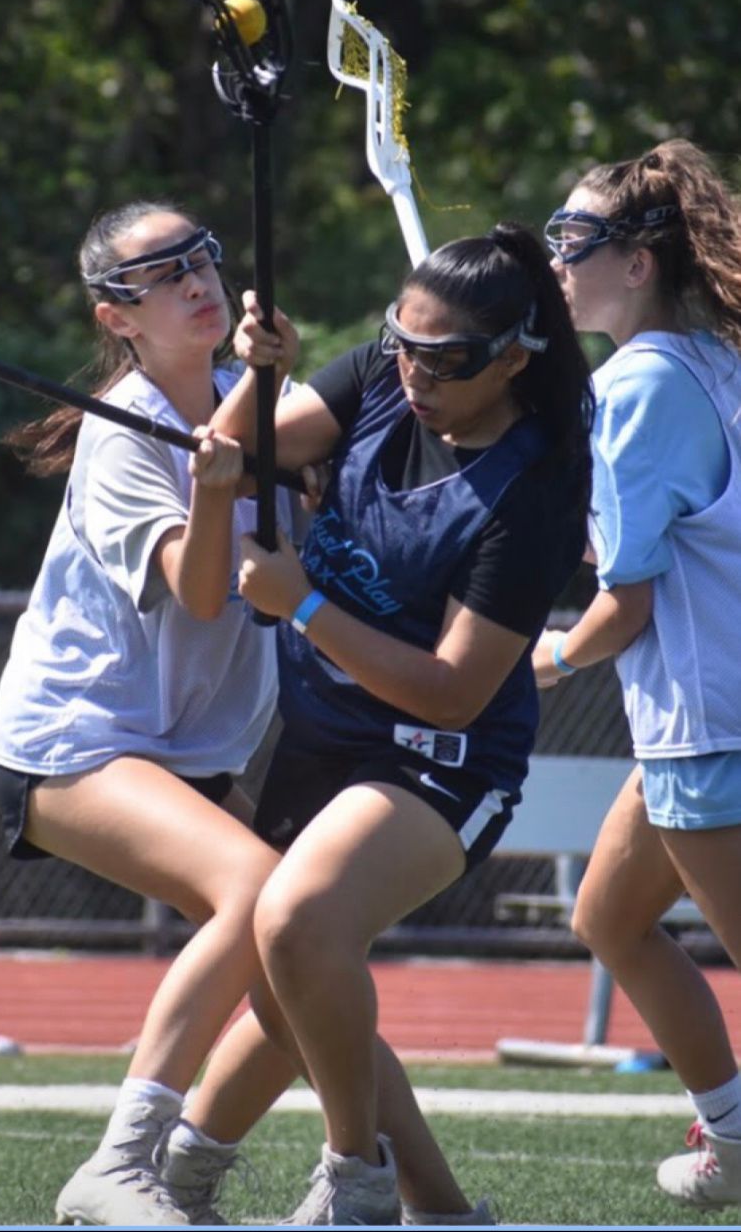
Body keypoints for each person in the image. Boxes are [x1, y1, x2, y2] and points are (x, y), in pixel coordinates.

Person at [166, 223, 594, 1226]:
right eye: (401, 344)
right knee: (287, 982)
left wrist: (305, 604)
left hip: (442, 758)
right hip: (324, 735)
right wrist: (259, 375)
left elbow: (452, 690)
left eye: (445, 360)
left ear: (514, 358)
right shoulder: (376, 378)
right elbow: (233, 457)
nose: (413, 374)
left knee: (297, 925)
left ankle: (352, 1179)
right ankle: (204, 1176)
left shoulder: (532, 487)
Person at [0, 199, 298, 1228]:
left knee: (314, 951)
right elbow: (202, 594)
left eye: (198, 257)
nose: (195, 280)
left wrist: (269, 386)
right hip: (79, 738)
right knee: (259, 890)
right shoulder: (122, 436)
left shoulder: (261, 400)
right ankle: (118, 1162)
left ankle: (383, 1182)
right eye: (159, 275)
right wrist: (215, 488)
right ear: (114, 316)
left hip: (191, 748)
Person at [532, 138, 741, 1209]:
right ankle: (733, 1135)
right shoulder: (708, 360)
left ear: (637, 262)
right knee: (608, 919)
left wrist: (547, 657)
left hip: (708, 727)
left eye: (571, 241)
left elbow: (628, 604)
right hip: (702, 720)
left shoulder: (634, 385)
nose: (554, 263)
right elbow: (664, 536)